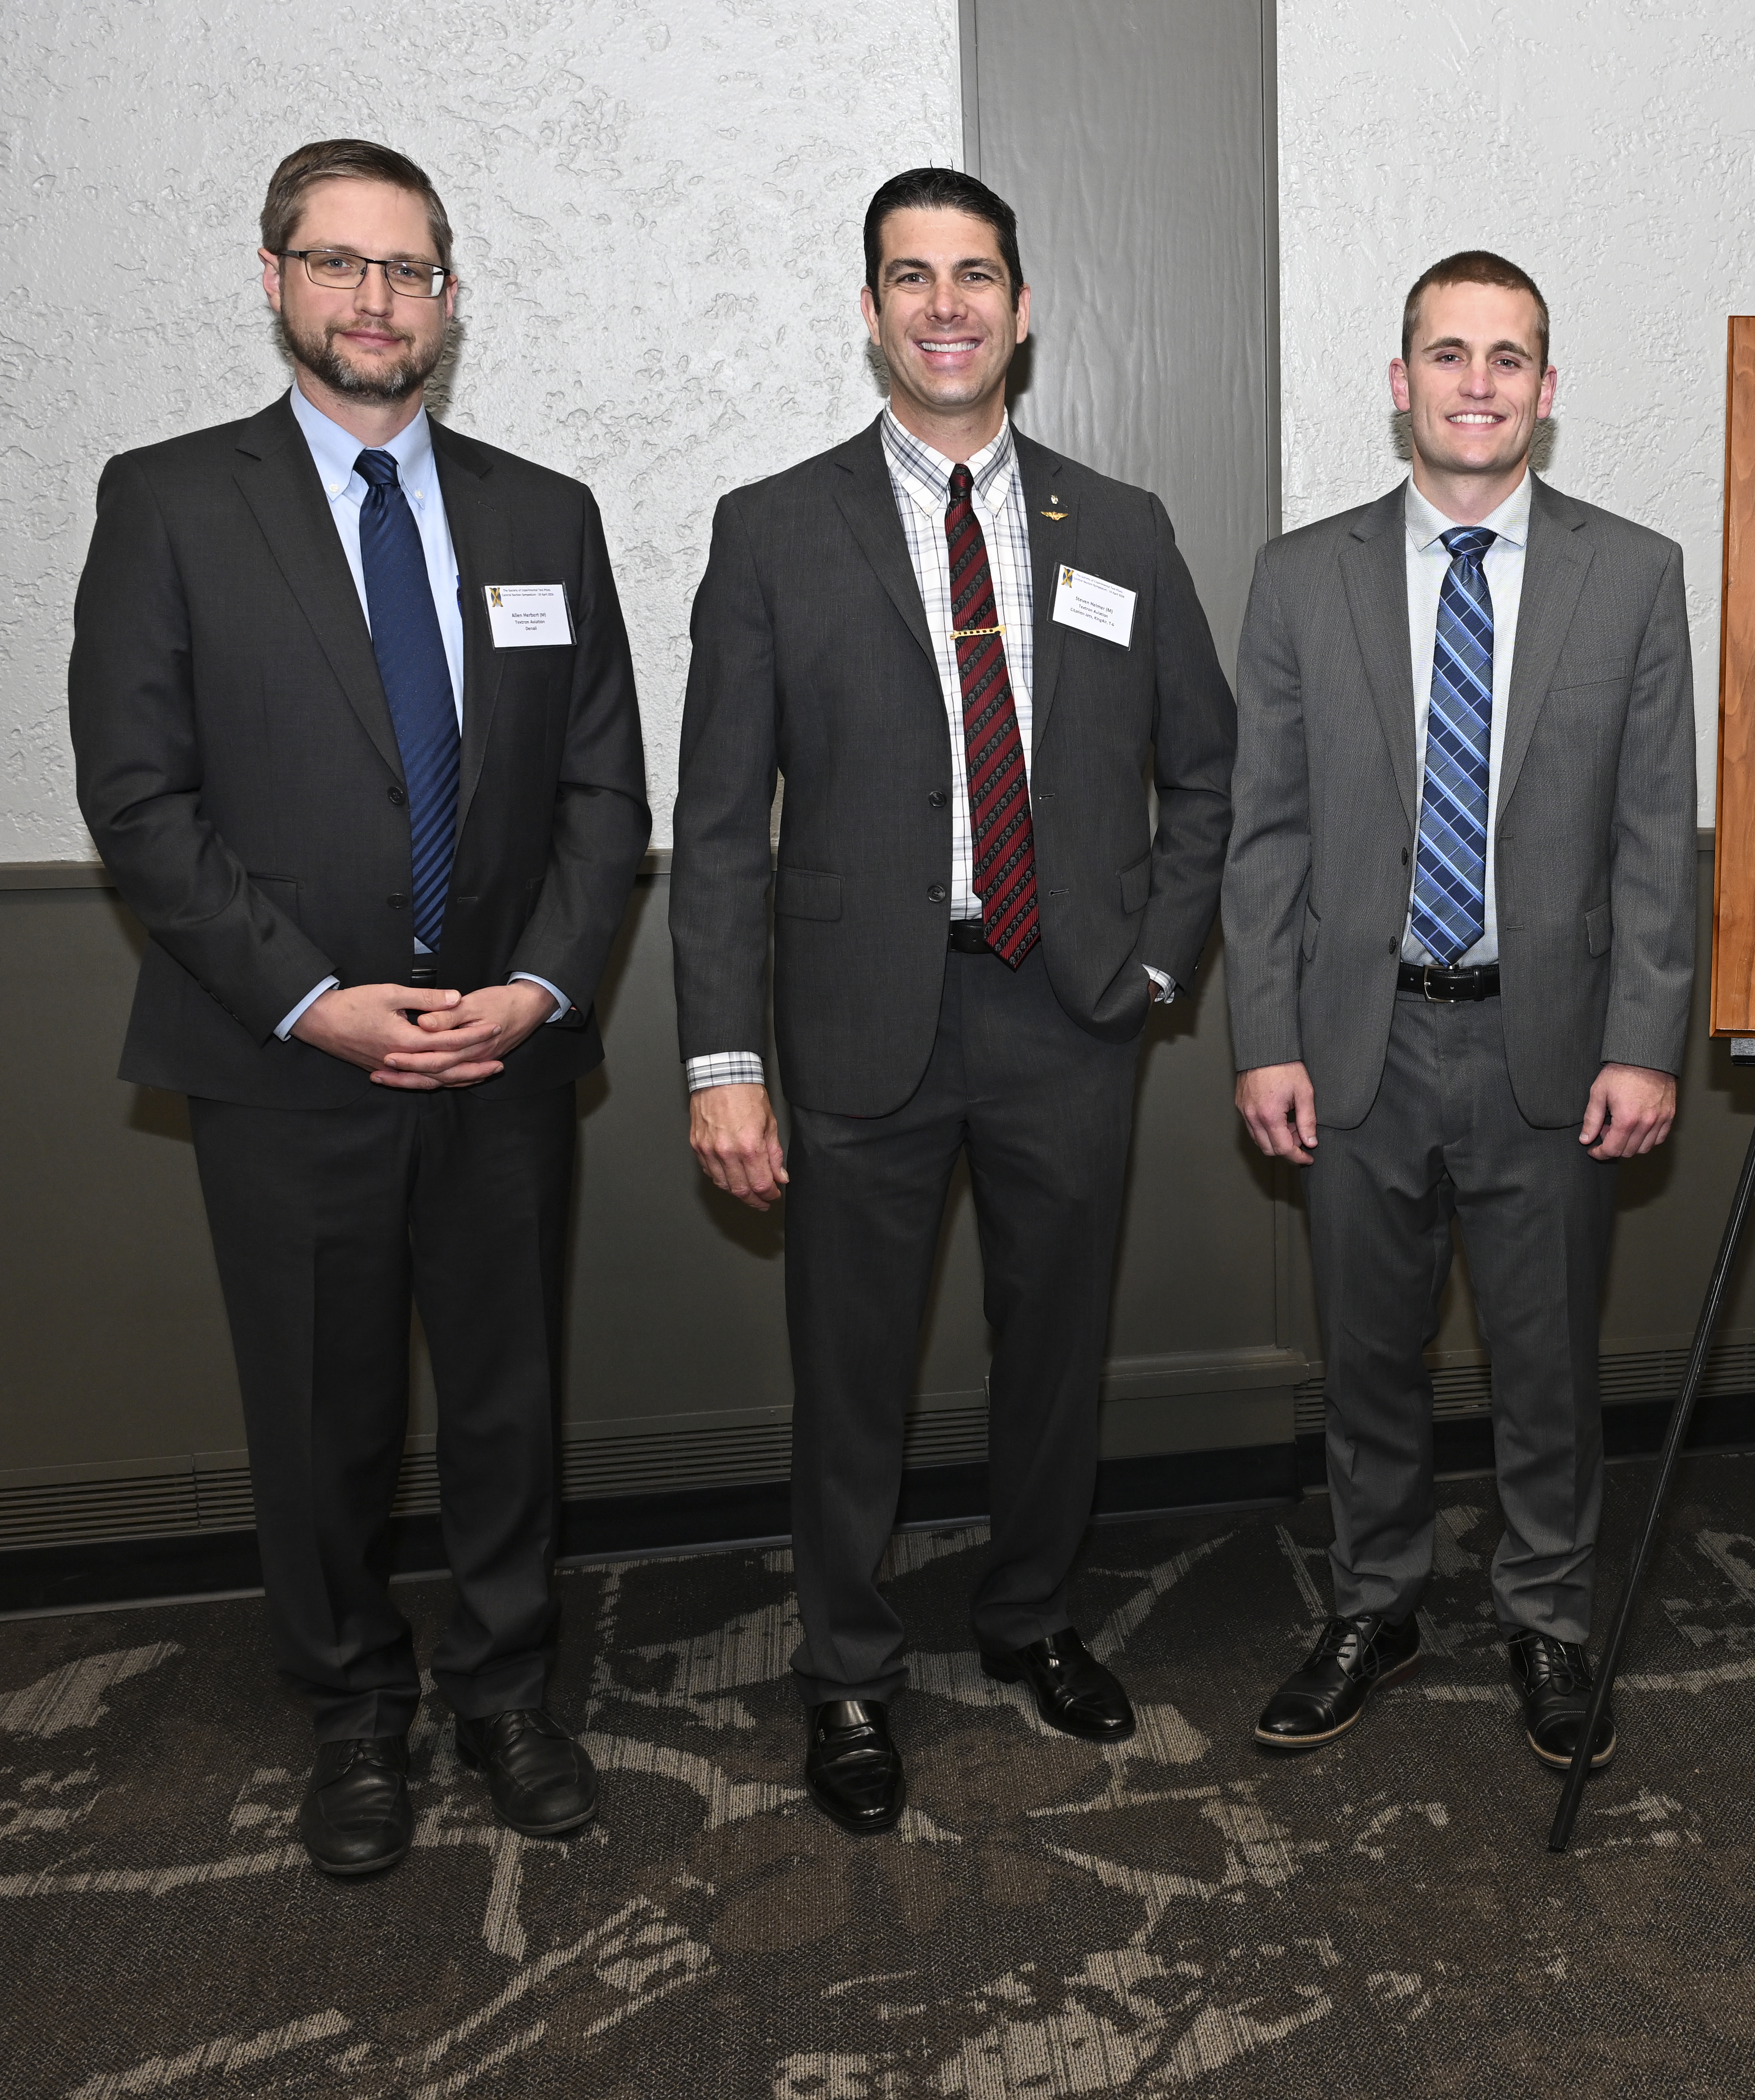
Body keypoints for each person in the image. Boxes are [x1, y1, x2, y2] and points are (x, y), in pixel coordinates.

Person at [68, 140, 648, 1874]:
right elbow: (139, 803)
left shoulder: (546, 514)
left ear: (449, 298)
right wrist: (316, 1003)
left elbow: (605, 795)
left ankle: (502, 1693)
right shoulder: (169, 502)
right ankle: (353, 1712)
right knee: (319, 1415)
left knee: (502, 1401)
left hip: (502, 1061)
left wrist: (537, 989)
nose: (374, 301)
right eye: (339, 265)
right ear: (274, 280)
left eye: (407, 271)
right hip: (289, 1065)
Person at [670, 169, 1235, 1834]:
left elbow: (1206, 777)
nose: (945, 306)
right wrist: (724, 1062)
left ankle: (1031, 1615)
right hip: (858, 1018)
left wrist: (1147, 963)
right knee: (851, 1367)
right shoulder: (771, 528)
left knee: (1054, 1347)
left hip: (1063, 1007)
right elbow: (715, 829)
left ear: (1023, 306)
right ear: (868, 310)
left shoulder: (1117, 526)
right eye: (909, 277)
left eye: (975, 275)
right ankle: (846, 1669)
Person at [1226, 249, 1695, 1770]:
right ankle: (1377, 1600)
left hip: (1544, 1049)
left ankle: (1548, 1615)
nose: (1477, 383)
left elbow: (1648, 832)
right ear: (1399, 381)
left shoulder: (1632, 573)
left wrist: (1644, 1039)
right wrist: (1265, 1035)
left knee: (1545, 1362)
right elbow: (1267, 832)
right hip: (1358, 1044)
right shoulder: (1301, 577)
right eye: (1448, 354)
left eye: (1508, 359)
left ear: (1546, 394)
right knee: (1366, 1359)